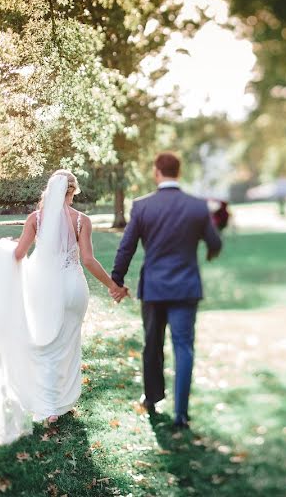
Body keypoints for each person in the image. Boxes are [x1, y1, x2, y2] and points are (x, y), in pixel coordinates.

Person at [0, 170, 126, 448]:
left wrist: (4, 248)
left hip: (45, 292)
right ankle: (62, 401)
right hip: (75, 290)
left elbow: (19, 255)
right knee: (68, 343)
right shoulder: (82, 221)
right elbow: (88, 260)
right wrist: (112, 285)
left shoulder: (35, 220)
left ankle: (51, 407)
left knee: (47, 344)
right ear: (72, 191)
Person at [111, 152, 223, 429]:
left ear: (157, 172)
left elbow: (127, 246)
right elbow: (215, 242)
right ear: (179, 172)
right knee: (184, 347)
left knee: (153, 344)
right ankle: (181, 414)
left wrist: (117, 278)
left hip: (155, 288)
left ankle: (152, 398)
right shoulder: (197, 206)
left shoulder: (142, 206)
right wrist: (208, 251)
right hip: (185, 287)